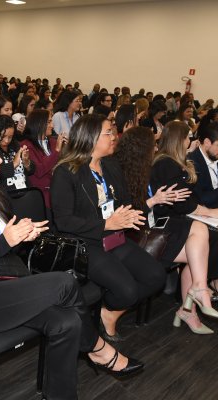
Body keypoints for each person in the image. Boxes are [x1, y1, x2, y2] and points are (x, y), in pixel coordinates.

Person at [0, 125, 144, 400]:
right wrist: (5, 241)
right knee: (65, 282)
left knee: (66, 322)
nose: (0, 161)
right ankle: (97, 349)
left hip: (9, 284)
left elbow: (6, 248)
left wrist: (24, 236)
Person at [50, 114, 166, 341]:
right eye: (108, 133)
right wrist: (106, 223)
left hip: (113, 238)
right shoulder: (66, 172)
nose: (114, 137)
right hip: (85, 244)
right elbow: (64, 221)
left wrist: (130, 213)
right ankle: (108, 311)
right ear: (91, 138)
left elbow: (124, 200)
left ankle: (108, 312)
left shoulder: (110, 164)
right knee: (128, 290)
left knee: (156, 276)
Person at [116, 126, 218, 334]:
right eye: (152, 145)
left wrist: (159, 200)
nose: (156, 147)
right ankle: (193, 300)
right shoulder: (142, 170)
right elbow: (132, 213)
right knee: (200, 242)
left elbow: (182, 200)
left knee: (199, 243)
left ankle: (193, 299)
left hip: (153, 225)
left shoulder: (148, 167)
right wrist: (155, 200)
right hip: (140, 233)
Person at [151, 121, 218, 295]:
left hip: (177, 216)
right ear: (180, 140)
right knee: (211, 236)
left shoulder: (174, 161)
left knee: (210, 233)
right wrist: (210, 212)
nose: (190, 140)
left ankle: (198, 289)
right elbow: (184, 204)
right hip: (168, 222)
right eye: (188, 137)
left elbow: (186, 200)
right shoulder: (166, 163)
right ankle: (199, 288)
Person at [20, 109, 67, 211]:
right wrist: (57, 151)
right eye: (49, 122)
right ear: (39, 123)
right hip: (42, 197)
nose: (52, 125)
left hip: (59, 190)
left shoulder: (54, 142)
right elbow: (39, 170)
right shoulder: (26, 145)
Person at [0, 115, 35, 191]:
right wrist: (14, 164)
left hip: (24, 190)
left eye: (10, 137)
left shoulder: (15, 145)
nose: (6, 140)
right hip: (6, 194)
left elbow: (32, 171)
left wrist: (27, 163)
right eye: (3, 136)